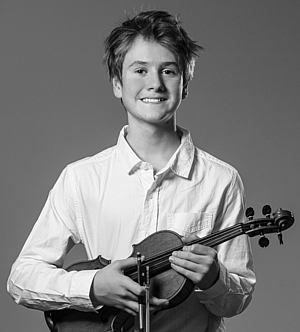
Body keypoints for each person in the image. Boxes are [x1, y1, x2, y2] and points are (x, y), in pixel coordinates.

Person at [7, 10, 256, 332]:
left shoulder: (221, 180)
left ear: (186, 84)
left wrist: (214, 279)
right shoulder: (81, 178)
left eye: (168, 71)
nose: (154, 83)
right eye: (140, 70)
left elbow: (236, 300)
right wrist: (93, 286)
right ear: (117, 84)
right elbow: (21, 278)